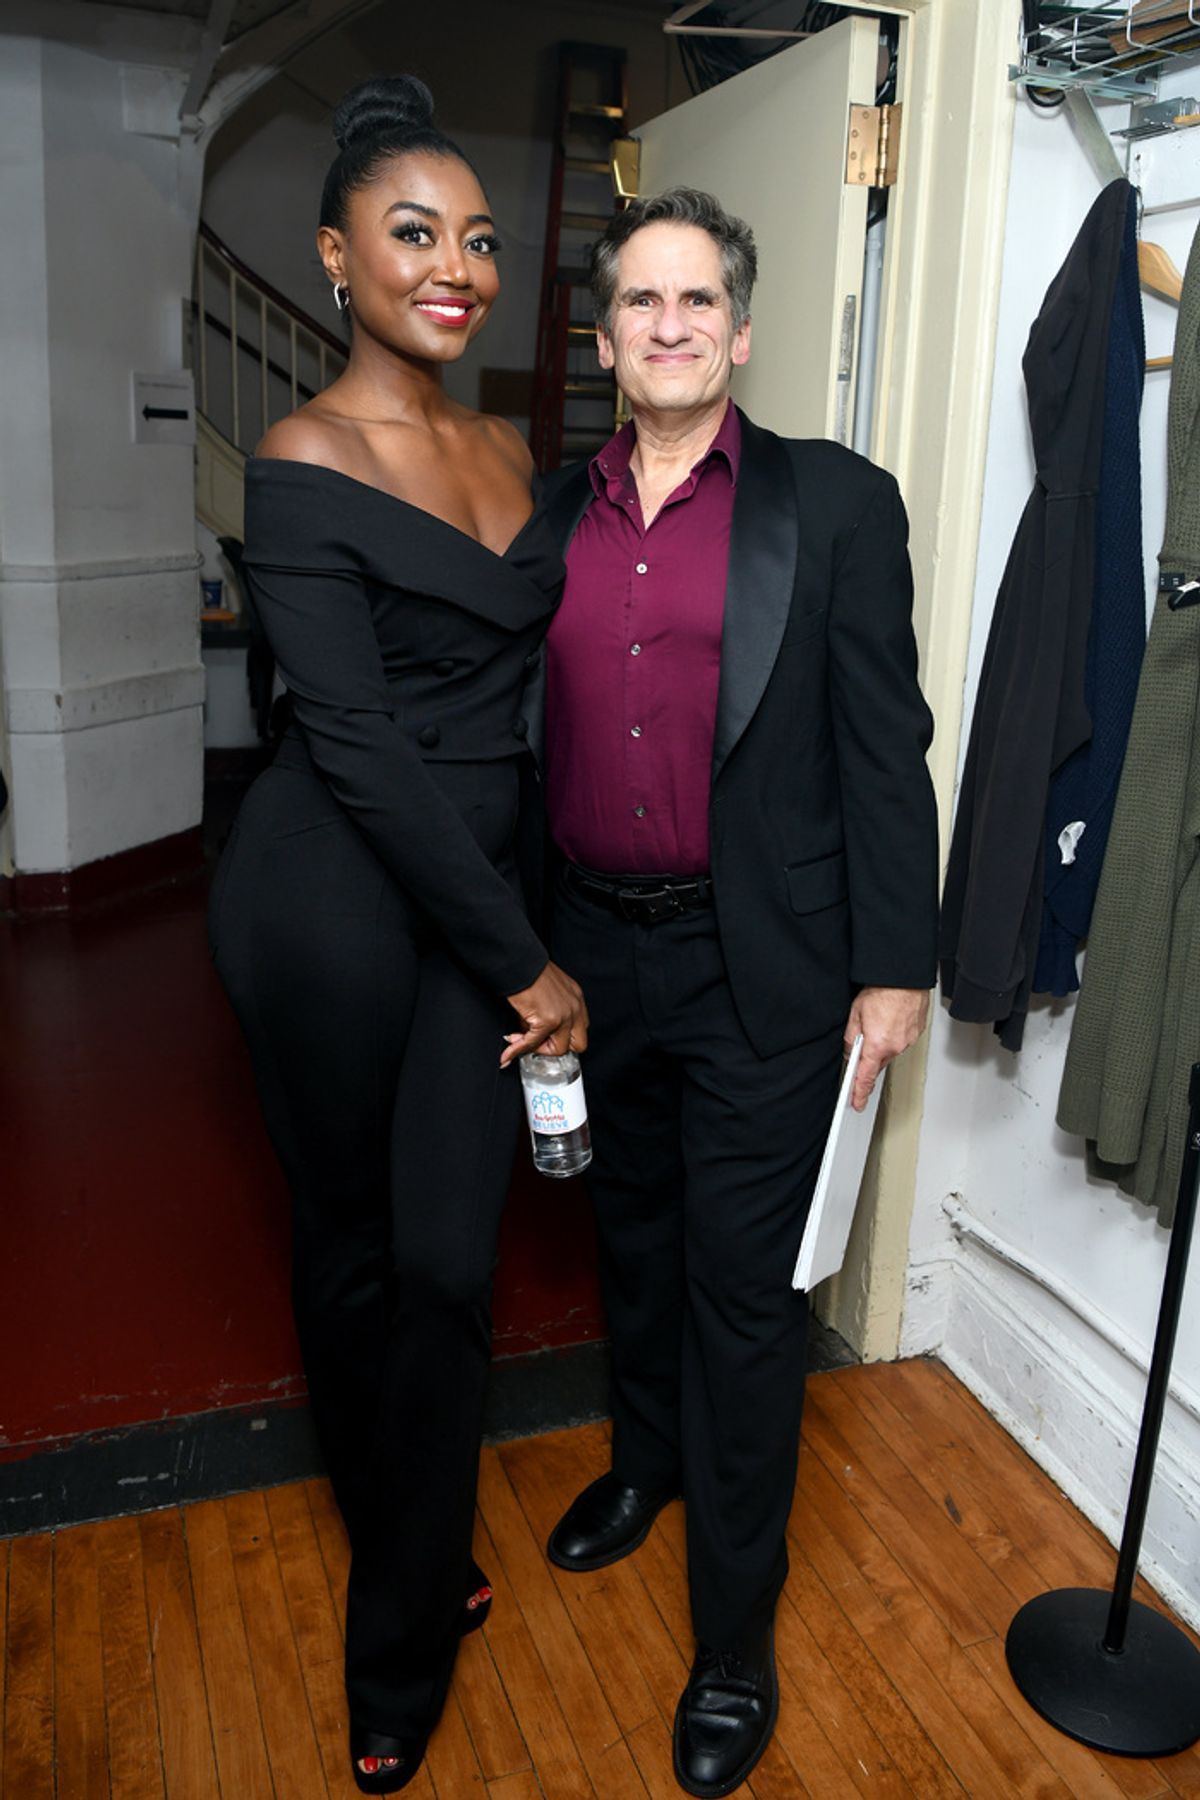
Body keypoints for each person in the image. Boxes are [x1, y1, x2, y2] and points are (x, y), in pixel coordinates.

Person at [207, 76, 587, 1796]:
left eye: (481, 237)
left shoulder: (515, 451)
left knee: (449, 1264)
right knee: (356, 1246)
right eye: (414, 233)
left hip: (480, 894)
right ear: (335, 254)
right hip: (334, 895)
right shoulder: (298, 460)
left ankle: (409, 1574)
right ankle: (406, 1595)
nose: (457, 267)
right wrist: (528, 960)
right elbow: (349, 741)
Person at [537, 188, 938, 1798]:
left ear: (743, 330)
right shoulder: (552, 512)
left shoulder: (832, 507)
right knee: (627, 1239)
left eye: (698, 299)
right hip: (590, 954)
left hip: (762, 965)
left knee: (745, 1300)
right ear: (609, 337)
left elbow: (884, 749)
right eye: (641, 301)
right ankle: (644, 1468)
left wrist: (896, 965)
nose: (672, 323)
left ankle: (733, 1637)